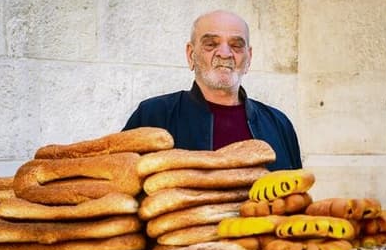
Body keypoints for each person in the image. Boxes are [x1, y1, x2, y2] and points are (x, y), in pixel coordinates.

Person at [122, 10, 302, 170]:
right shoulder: (153, 115)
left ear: (249, 58)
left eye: (236, 45)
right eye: (211, 44)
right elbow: (119, 186)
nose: (225, 53)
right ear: (191, 55)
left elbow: (296, 197)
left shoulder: (278, 124)